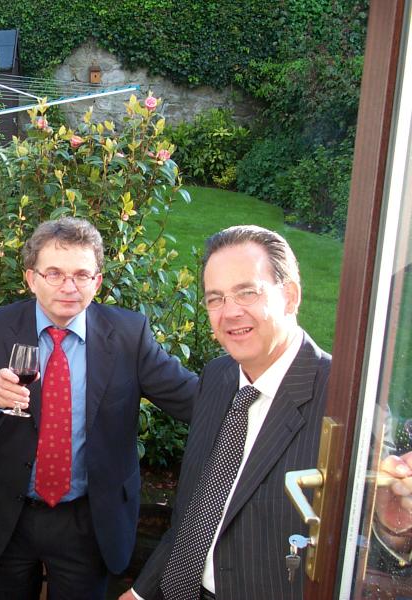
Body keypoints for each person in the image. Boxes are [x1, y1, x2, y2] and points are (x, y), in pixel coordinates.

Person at [0, 216, 198, 599]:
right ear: (31, 278)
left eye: (81, 275)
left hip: (88, 520)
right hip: (5, 513)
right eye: (55, 274)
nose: (68, 287)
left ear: (97, 281)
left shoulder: (129, 335)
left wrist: (256, 385)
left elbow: (192, 397)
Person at [123, 224, 332, 600]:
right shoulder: (218, 377)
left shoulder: (341, 398)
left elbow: (371, 534)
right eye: (215, 299)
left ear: (290, 296)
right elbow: (195, 508)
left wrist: (393, 520)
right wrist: (142, 592)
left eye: (247, 292)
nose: (230, 312)